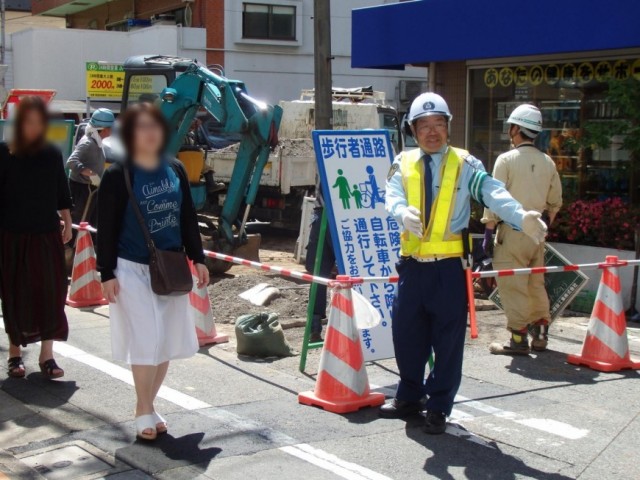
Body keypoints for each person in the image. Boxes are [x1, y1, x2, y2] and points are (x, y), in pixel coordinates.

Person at [381, 93, 547, 434]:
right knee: (406, 336)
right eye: (424, 126)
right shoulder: (404, 162)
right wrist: (400, 211)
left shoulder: (464, 163)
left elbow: (492, 192)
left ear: (448, 128)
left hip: (449, 270)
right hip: (412, 267)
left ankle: (439, 406)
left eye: (438, 125)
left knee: (448, 342)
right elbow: (392, 195)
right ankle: (409, 396)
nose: (432, 132)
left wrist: (520, 218)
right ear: (413, 130)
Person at [96, 103, 209, 441]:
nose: (149, 133)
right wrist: (106, 273)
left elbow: (187, 217)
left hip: (170, 268)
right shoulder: (119, 174)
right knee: (146, 340)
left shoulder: (174, 168)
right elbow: (107, 227)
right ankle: (143, 409)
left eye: (155, 126)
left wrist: (198, 257)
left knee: (165, 341)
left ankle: (148, 405)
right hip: (130, 269)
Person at [0, 96, 72, 379]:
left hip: (46, 233)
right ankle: (15, 354)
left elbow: (61, 192)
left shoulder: (51, 154)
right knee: (15, 293)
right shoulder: (4, 153)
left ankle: (47, 355)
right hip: (11, 235)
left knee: (51, 293)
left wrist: (67, 221)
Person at [483, 104, 563, 355]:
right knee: (535, 283)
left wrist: (488, 233)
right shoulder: (547, 161)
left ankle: (518, 339)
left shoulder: (505, 160)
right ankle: (540, 335)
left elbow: (494, 198)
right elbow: (555, 202)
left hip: (512, 230)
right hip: (537, 232)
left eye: (511, 127)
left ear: (516, 129)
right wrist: (544, 225)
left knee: (513, 283)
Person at [67, 108, 115, 226]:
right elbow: (71, 161)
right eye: (111, 128)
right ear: (103, 129)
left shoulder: (97, 141)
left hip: (90, 188)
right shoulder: (88, 143)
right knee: (80, 221)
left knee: (91, 220)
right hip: (81, 189)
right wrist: (88, 172)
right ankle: (73, 244)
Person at [305, 188, 336, 342]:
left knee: (318, 276)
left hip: (322, 215)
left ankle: (314, 328)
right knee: (353, 275)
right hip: (342, 213)